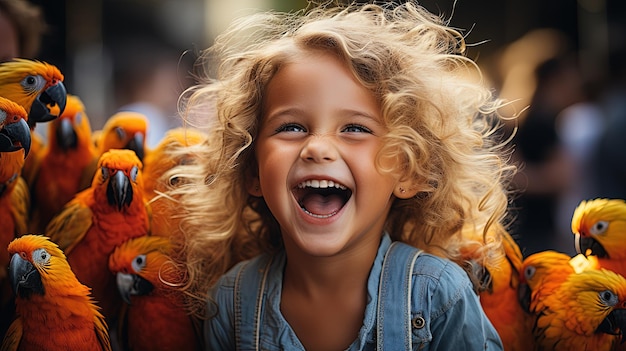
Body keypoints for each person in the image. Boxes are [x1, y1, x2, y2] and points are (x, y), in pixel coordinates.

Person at [167, 2, 514, 350]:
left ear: (409, 168)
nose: (318, 148)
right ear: (252, 170)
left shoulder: (438, 294)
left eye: (354, 128)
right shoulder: (231, 300)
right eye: (291, 127)